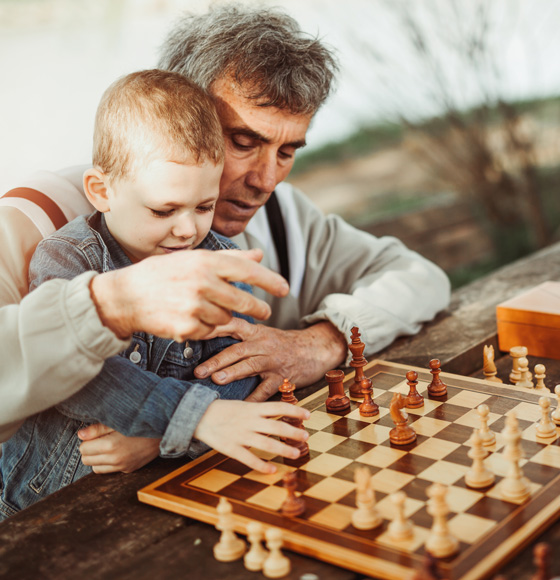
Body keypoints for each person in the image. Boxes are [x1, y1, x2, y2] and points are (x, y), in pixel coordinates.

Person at [0, 3, 449, 472]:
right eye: (243, 142)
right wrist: (107, 308)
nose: (266, 180)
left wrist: (323, 341)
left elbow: (421, 278)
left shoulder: (281, 218)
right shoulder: (36, 221)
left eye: (287, 150)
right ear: (181, 111)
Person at [0, 70, 313, 521]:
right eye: (163, 210)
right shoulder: (66, 259)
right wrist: (192, 419)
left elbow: (236, 369)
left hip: (159, 486)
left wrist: (158, 438)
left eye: (204, 206)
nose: (188, 230)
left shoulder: (221, 260)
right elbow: (77, 379)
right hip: (38, 504)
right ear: (102, 191)